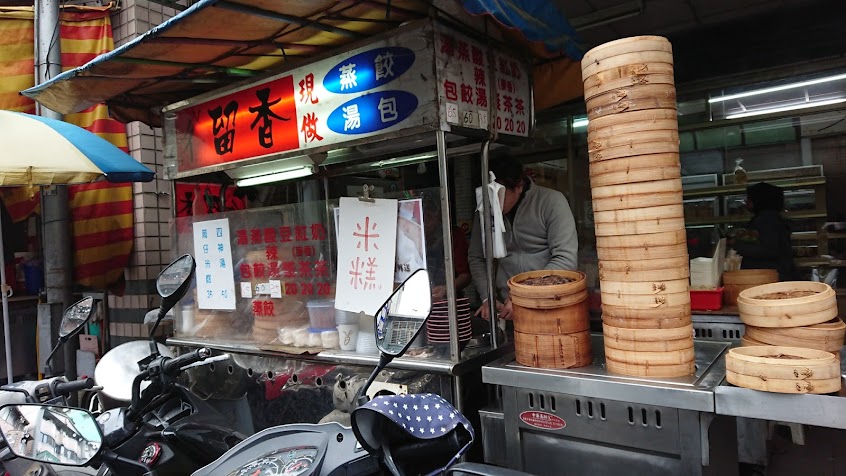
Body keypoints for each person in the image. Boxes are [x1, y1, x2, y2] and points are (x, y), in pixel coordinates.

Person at [468, 156, 578, 320]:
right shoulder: (486, 211)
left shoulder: (552, 201)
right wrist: (487, 297)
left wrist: (522, 295)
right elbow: (477, 257)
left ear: (519, 186)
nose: (493, 204)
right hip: (508, 307)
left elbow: (566, 258)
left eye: (498, 195)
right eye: (487, 196)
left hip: (552, 303)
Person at [732, 182, 796, 281]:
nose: (746, 201)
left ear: (759, 200)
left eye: (749, 198)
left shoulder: (767, 220)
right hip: (773, 276)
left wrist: (736, 246)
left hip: (772, 278)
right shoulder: (771, 218)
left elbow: (769, 249)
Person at [422, 194, 472, 300]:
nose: (425, 223)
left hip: (448, 301)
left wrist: (446, 289)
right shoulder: (412, 236)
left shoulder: (453, 235)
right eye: (422, 218)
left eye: (429, 217)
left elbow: (465, 276)